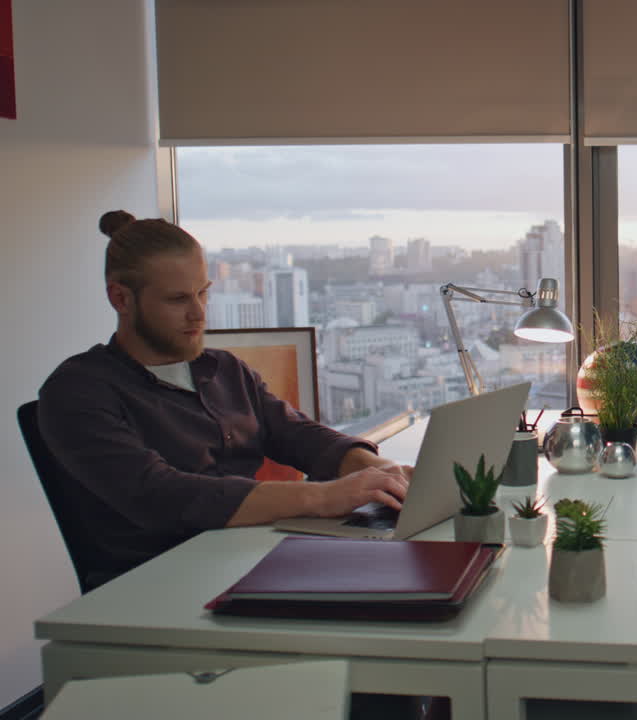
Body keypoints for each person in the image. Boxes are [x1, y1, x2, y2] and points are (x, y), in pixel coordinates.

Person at [38, 211, 413, 589]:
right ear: (120, 298)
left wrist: (375, 470)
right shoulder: (77, 392)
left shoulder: (226, 370)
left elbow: (297, 434)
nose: (198, 313)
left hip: (250, 562)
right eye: (177, 299)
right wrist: (322, 497)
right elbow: (160, 495)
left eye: (203, 292)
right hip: (158, 586)